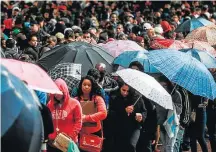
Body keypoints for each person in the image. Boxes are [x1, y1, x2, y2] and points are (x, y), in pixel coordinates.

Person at [109, 78, 147, 152]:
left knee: (131, 145)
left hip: (134, 127)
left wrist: (141, 117)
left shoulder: (137, 98)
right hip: (119, 127)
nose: (125, 93)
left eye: (128, 91)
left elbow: (144, 111)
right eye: (123, 90)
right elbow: (110, 113)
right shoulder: (115, 97)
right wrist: (124, 110)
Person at [47, 78, 82, 152]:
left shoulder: (75, 104)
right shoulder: (50, 104)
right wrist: (49, 136)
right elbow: (47, 122)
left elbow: (78, 122)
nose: (56, 95)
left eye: (59, 91)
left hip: (69, 142)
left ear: (64, 90)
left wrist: (69, 137)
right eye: (55, 92)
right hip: (53, 143)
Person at [75, 75, 107, 152]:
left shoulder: (98, 99)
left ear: (92, 87)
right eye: (84, 84)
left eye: (89, 85)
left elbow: (103, 113)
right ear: (80, 85)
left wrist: (86, 118)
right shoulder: (76, 100)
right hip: (79, 133)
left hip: (95, 133)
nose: (86, 87)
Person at [207, 68, 216, 152]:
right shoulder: (209, 76)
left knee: (212, 133)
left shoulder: (211, 77)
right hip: (210, 108)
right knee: (211, 133)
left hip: (212, 108)